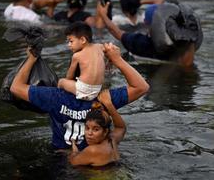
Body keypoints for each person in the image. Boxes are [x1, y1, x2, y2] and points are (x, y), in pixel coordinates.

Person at [10, 43, 149, 150]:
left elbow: (15, 88)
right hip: (98, 157)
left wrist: (31, 58)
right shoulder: (105, 99)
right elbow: (141, 87)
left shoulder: (54, 96)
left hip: (61, 158)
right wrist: (117, 59)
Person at [97, 1, 196, 67]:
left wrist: (103, 15)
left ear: (148, 24)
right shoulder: (183, 40)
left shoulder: (141, 43)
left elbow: (116, 32)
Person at [68, 92, 125, 166]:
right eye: (87, 128)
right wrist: (109, 105)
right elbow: (121, 127)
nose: (89, 133)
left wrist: (74, 149)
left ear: (105, 132)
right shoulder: (112, 140)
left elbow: (72, 162)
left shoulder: (93, 150)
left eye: (96, 129)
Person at [57, 22, 105, 101]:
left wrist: (66, 82)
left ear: (83, 40)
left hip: (83, 89)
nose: (69, 45)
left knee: (61, 81)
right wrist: (110, 61)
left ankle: (61, 101)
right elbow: (115, 49)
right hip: (97, 90)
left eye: (71, 41)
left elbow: (69, 77)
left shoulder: (77, 55)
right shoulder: (100, 47)